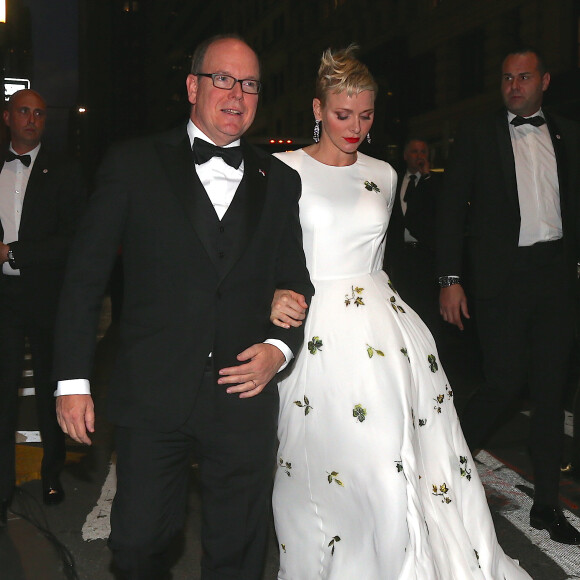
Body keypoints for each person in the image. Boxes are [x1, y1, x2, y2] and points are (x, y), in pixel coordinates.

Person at [52, 35, 313, 579]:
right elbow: (84, 278)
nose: (236, 93)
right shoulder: (132, 164)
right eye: (222, 78)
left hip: (243, 394)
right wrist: (72, 382)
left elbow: (295, 282)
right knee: (139, 544)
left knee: (239, 554)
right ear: (193, 86)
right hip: (153, 394)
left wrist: (277, 349)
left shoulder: (281, 182)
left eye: (249, 84)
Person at [270, 45, 531, 579]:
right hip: (315, 329)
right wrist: (272, 296)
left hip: (382, 334)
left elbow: (381, 257)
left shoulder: (384, 173)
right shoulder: (281, 169)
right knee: (326, 466)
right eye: (343, 114)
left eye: (366, 116)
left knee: (392, 458)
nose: (355, 127)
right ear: (317, 109)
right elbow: (264, 254)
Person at [437, 46, 580, 545]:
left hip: (556, 278)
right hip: (502, 279)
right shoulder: (479, 133)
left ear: (543, 80)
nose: (514, 85)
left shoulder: (566, 132)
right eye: (506, 78)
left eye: (523, 77)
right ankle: (446, 466)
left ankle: (545, 505)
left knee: (549, 392)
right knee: (502, 382)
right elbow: (452, 207)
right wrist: (448, 279)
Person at [0, 89, 86, 525]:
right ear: (8, 116)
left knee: (51, 385)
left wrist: (12, 253)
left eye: (39, 113)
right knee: (3, 391)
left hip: (44, 295)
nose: (32, 120)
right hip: (3, 299)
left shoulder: (64, 171)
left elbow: (72, 240)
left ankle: (51, 473)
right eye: (24, 112)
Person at [385, 137, 442, 335]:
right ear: (405, 155)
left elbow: (441, 210)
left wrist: (427, 176)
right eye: (415, 152)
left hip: (426, 257)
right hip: (401, 258)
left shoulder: (434, 182)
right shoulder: (394, 180)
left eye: (423, 152)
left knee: (428, 311)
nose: (419, 156)